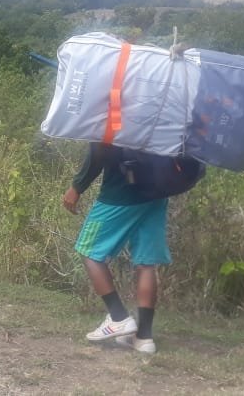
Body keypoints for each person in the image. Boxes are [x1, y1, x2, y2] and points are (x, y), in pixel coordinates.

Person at [61, 143, 170, 354]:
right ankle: (144, 338)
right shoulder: (161, 109)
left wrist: (77, 186)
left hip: (119, 194)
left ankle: (118, 317)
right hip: (156, 195)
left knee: (88, 250)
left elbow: (99, 150)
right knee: (146, 263)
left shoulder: (116, 110)